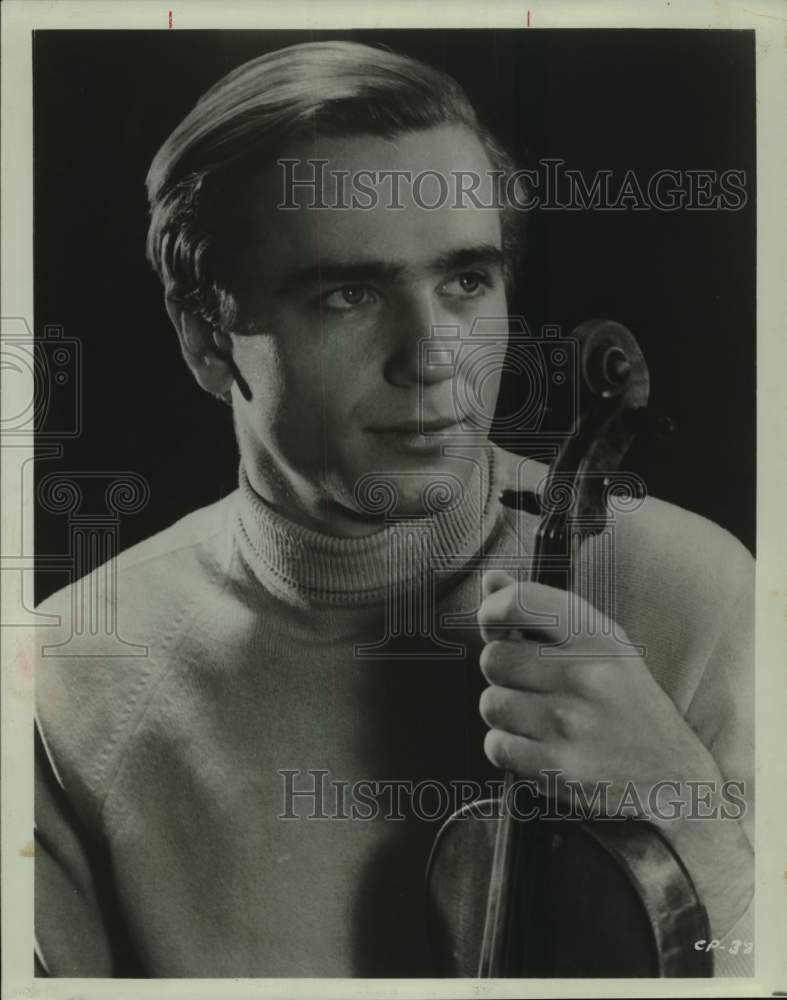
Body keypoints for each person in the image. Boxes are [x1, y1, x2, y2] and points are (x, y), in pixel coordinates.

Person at [33, 40, 754, 978]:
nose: (434, 358)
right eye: (348, 294)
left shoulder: (693, 592)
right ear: (210, 341)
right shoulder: (69, 676)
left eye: (465, 281)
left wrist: (686, 809)